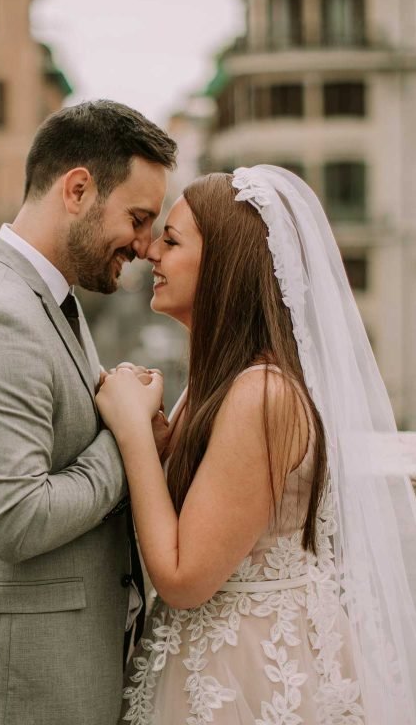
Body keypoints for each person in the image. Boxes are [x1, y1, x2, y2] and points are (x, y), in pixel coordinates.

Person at [96, 166, 416, 724]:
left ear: (224, 264)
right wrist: (163, 442)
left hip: (254, 670)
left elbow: (184, 578)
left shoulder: (262, 394)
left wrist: (130, 435)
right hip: (212, 657)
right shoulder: (221, 379)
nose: (152, 254)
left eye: (171, 241)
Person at [0, 99, 177, 725]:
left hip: (45, 676)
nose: (143, 245)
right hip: (16, 688)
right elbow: (15, 521)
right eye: (138, 219)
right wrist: (128, 439)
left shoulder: (49, 295)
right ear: (78, 189)